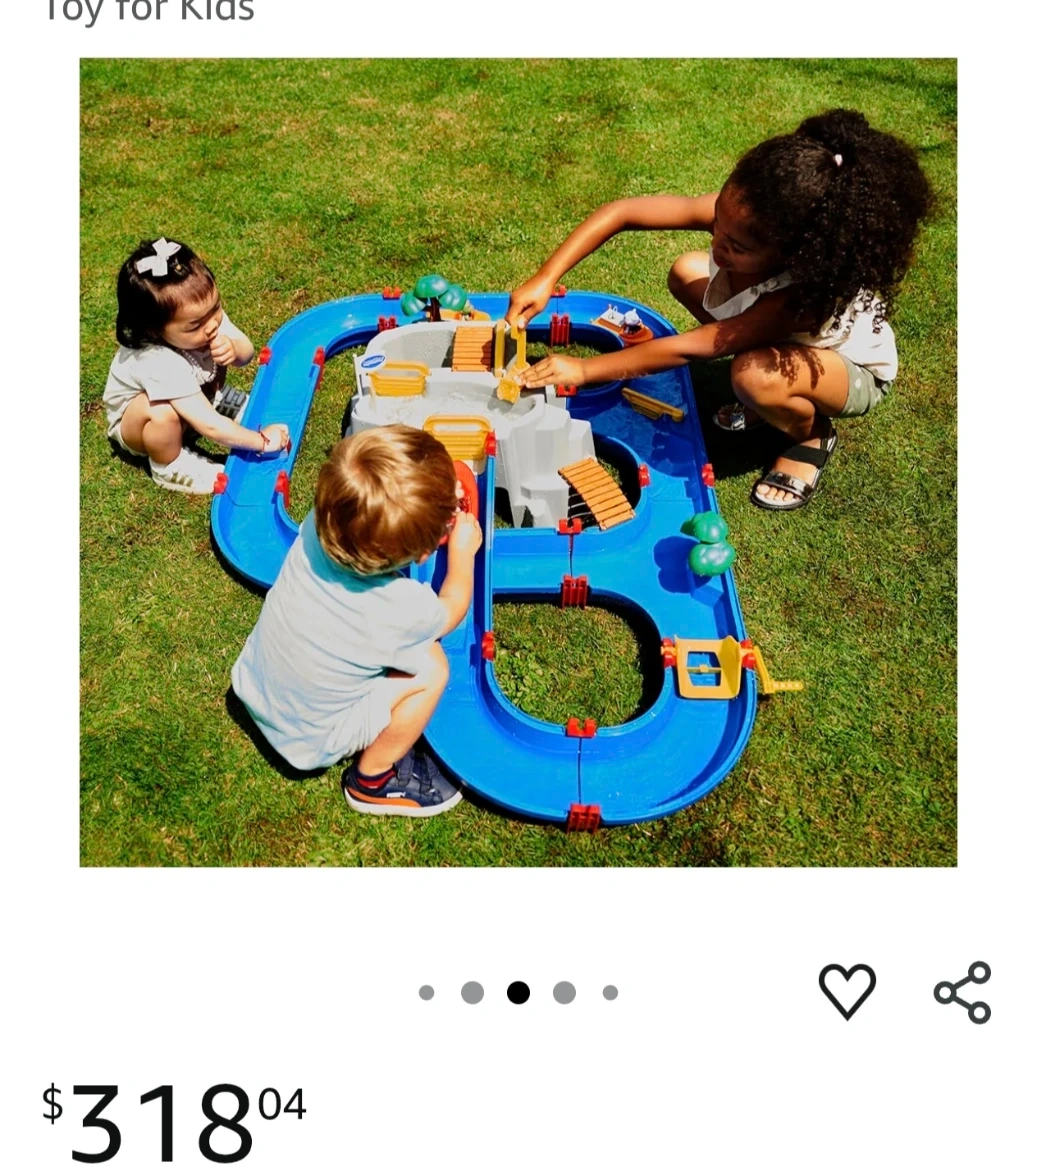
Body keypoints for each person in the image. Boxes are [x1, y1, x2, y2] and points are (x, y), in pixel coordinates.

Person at [507, 110, 933, 511]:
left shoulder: (799, 299)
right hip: (782, 340)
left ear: (794, 255)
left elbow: (696, 347)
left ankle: (811, 435)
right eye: (716, 224)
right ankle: (769, 385)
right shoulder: (746, 214)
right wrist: (546, 277)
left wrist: (584, 371)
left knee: (752, 375)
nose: (716, 245)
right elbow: (622, 213)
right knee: (686, 271)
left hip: (849, 370)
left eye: (736, 246)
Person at [232, 425, 482, 816]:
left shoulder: (320, 525)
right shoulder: (400, 607)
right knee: (432, 667)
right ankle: (373, 780)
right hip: (311, 741)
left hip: (254, 687)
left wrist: (431, 503)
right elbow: (452, 608)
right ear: (425, 551)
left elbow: (381, 502)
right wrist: (462, 554)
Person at [103, 237, 291, 493]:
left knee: (210, 355)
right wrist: (262, 441)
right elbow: (210, 426)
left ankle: (210, 399)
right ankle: (168, 466)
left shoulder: (202, 316)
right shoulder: (156, 361)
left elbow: (246, 354)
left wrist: (234, 348)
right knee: (162, 412)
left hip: (189, 397)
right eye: (195, 325)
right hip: (140, 426)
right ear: (154, 330)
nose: (212, 324)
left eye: (216, 308)